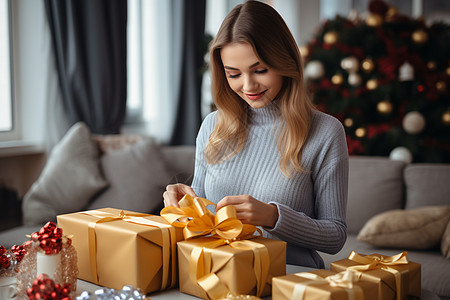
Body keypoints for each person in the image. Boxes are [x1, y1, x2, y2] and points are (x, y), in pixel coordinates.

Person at [163, 0, 348, 268]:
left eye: (260, 70)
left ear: (285, 63)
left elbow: (336, 236)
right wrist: (184, 205)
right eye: (234, 74)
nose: (248, 86)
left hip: (291, 280)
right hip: (219, 275)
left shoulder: (326, 132)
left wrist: (273, 216)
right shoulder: (212, 126)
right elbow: (203, 221)